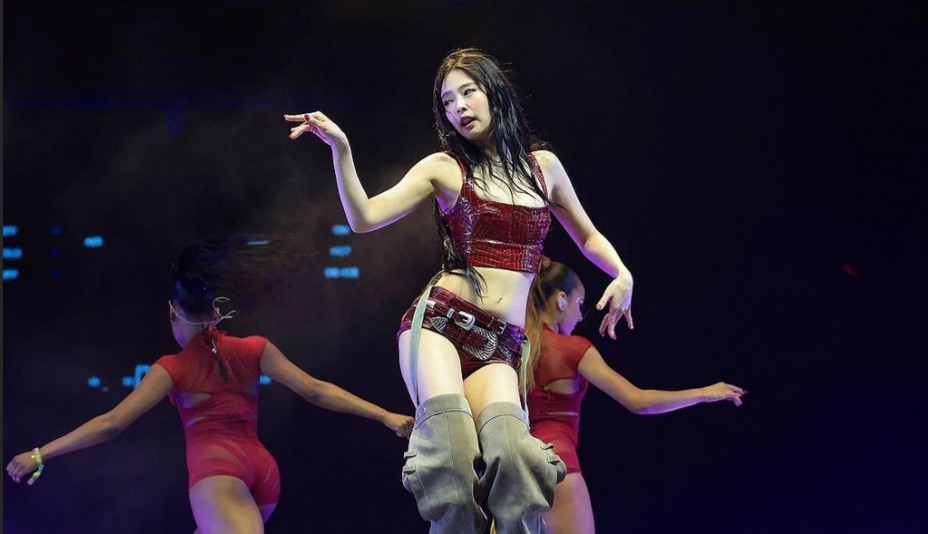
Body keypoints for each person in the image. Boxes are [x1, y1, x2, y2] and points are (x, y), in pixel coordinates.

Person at [285, 47, 635, 534]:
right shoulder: (445, 168)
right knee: (451, 458)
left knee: (515, 460)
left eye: (468, 93)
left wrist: (622, 273)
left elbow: (588, 235)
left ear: (495, 92)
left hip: (500, 344)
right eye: (447, 102)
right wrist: (341, 148)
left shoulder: (545, 168)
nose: (459, 108)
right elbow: (363, 218)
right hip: (440, 326)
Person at [6, 238, 414, 534]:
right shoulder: (254, 348)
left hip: (218, 475)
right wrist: (384, 415)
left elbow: (111, 424)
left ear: (172, 312)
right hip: (262, 473)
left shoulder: (172, 368)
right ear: (214, 310)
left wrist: (41, 453)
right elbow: (315, 390)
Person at [526, 257, 746, 534]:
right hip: (558, 465)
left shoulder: (516, 345)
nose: (580, 316)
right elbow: (638, 402)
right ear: (561, 300)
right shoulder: (571, 349)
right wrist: (705, 393)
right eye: (578, 303)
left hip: (515, 467)